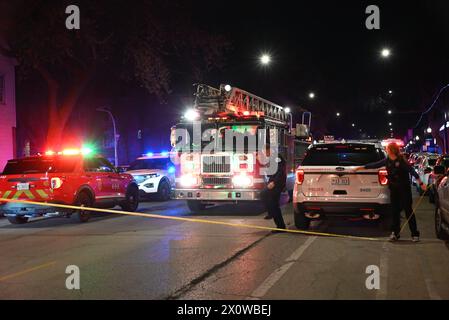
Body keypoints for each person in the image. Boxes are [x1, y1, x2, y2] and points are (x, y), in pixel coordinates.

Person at [354, 143, 425, 242]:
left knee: (408, 211)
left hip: (404, 190)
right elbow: (375, 165)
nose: (386, 150)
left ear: (391, 150)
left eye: (387, 149)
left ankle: (415, 234)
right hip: (394, 189)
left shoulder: (401, 161)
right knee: (394, 212)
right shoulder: (387, 160)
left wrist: (421, 183)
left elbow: (412, 171)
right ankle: (395, 233)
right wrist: (361, 167)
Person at [261, 147, 287, 232]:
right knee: (272, 203)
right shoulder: (273, 158)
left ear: (269, 150)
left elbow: (280, 172)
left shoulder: (277, 158)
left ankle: (272, 214)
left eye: (265, 152)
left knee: (266, 197)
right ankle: (280, 225)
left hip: (277, 184)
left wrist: (274, 182)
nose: (265, 154)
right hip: (274, 182)